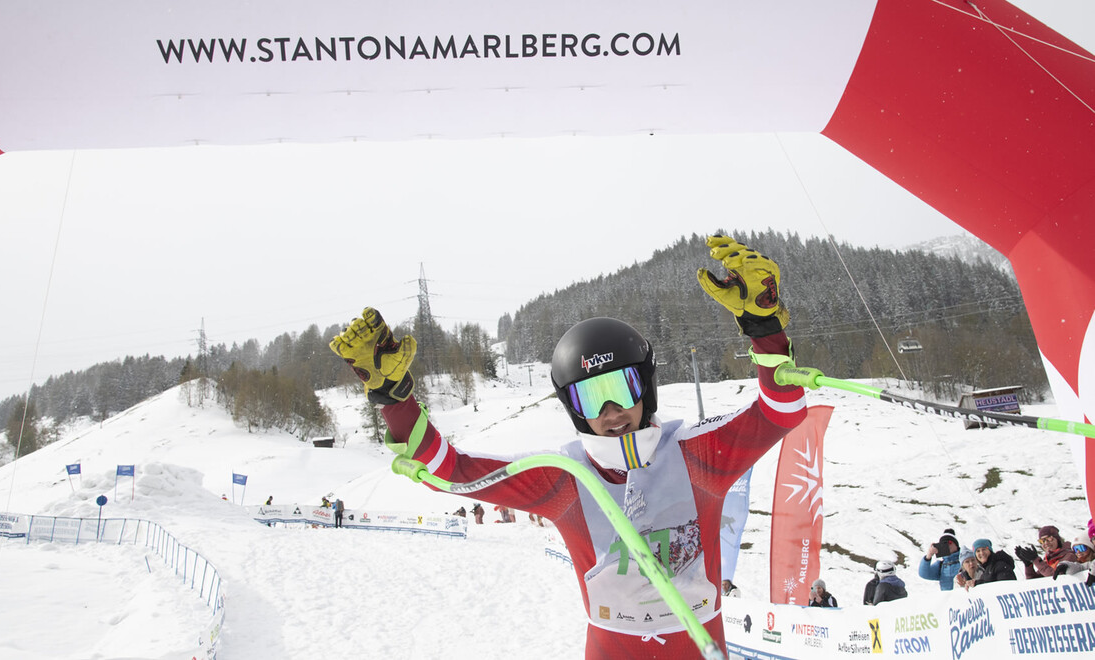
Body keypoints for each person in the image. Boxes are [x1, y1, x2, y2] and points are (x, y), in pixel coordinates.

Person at [329, 236, 805, 657]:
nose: (613, 411)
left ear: (647, 387)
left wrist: (763, 326)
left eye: (623, 387)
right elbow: (448, 469)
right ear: (573, 408)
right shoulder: (564, 477)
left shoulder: (697, 453)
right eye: (593, 397)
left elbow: (781, 411)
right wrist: (394, 399)